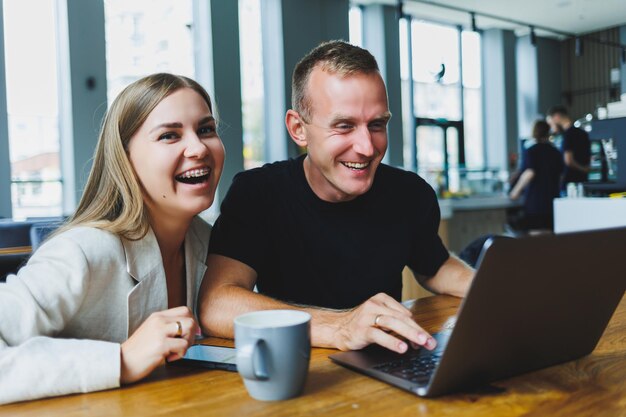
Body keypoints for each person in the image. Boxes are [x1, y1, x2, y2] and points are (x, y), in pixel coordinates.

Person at [199, 41, 474, 355]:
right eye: (344, 126)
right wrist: (339, 327)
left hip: (388, 359)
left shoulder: (410, 193)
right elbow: (216, 303)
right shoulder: (259, 193)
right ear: (298, 129)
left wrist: (491, 287)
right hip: (299, 366)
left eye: (377, 125)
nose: (367, 147)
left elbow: (434, 267)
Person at [0, 73, 224, 404]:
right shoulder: (81, 251)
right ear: (126, 160)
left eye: (205, 129)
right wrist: (120, 359)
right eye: (169, 136)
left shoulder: (206, 241)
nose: (198, 147)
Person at [509, 120, 564, 231]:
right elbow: (561, 176)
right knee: (550, 239)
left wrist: (515, 192)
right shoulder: (556, 152)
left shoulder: (531, 151)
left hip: (536, 203)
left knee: (537, 239)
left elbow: (529, 173)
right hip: (552, 201)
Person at [546, 105, 591, 188]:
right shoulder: (583, 133)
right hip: (583, 181)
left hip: (570, 183)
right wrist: (585, 170)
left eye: (551, 124)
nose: (551, 128)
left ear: (557, 117)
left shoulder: (568, 135)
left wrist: (583, 169)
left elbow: (568, 160)